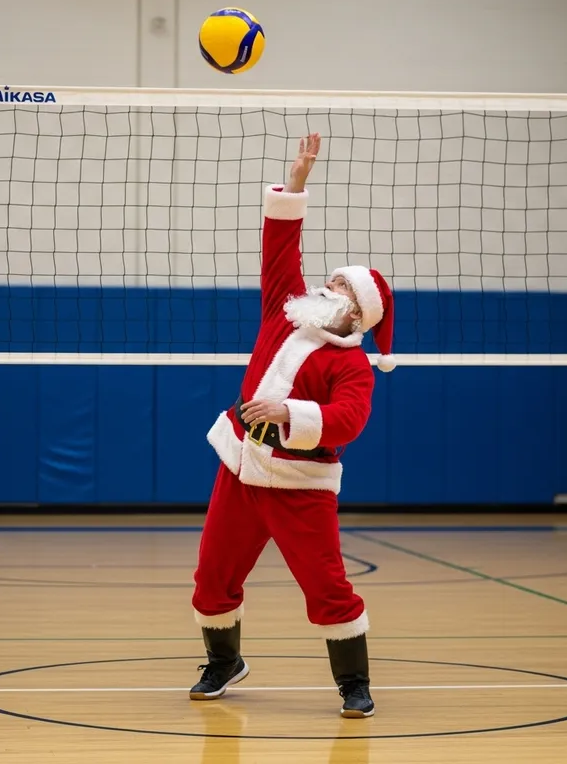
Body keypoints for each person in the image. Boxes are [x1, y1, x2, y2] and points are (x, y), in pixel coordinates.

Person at [189, 134, 396, 718]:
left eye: (341, 287)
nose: (327, 286)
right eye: (331, 280)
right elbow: (279, 246)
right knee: (212, 576)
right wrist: (296, 186)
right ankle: (223, 661)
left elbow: (349, 421)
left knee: (327, 587)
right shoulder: (283, 311)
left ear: (357, 314)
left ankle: (354, 682)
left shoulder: (352, 364)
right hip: (241, 466)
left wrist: (290, 414)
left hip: (300, 483)